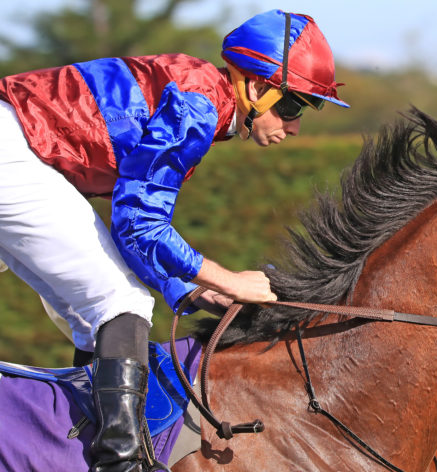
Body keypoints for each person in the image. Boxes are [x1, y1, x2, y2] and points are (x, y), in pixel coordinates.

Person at [0, 9, 347, 471]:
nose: (296, 126)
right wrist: (229, 280)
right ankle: (121, 461)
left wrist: (189, 289)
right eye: (292, 106)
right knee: (118, 303)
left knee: (98, 312)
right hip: (13, 151)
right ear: (257, 87)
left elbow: (130, 231)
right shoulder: (197, 105)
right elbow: (139, 224)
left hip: (18, 149)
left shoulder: (199, 93)